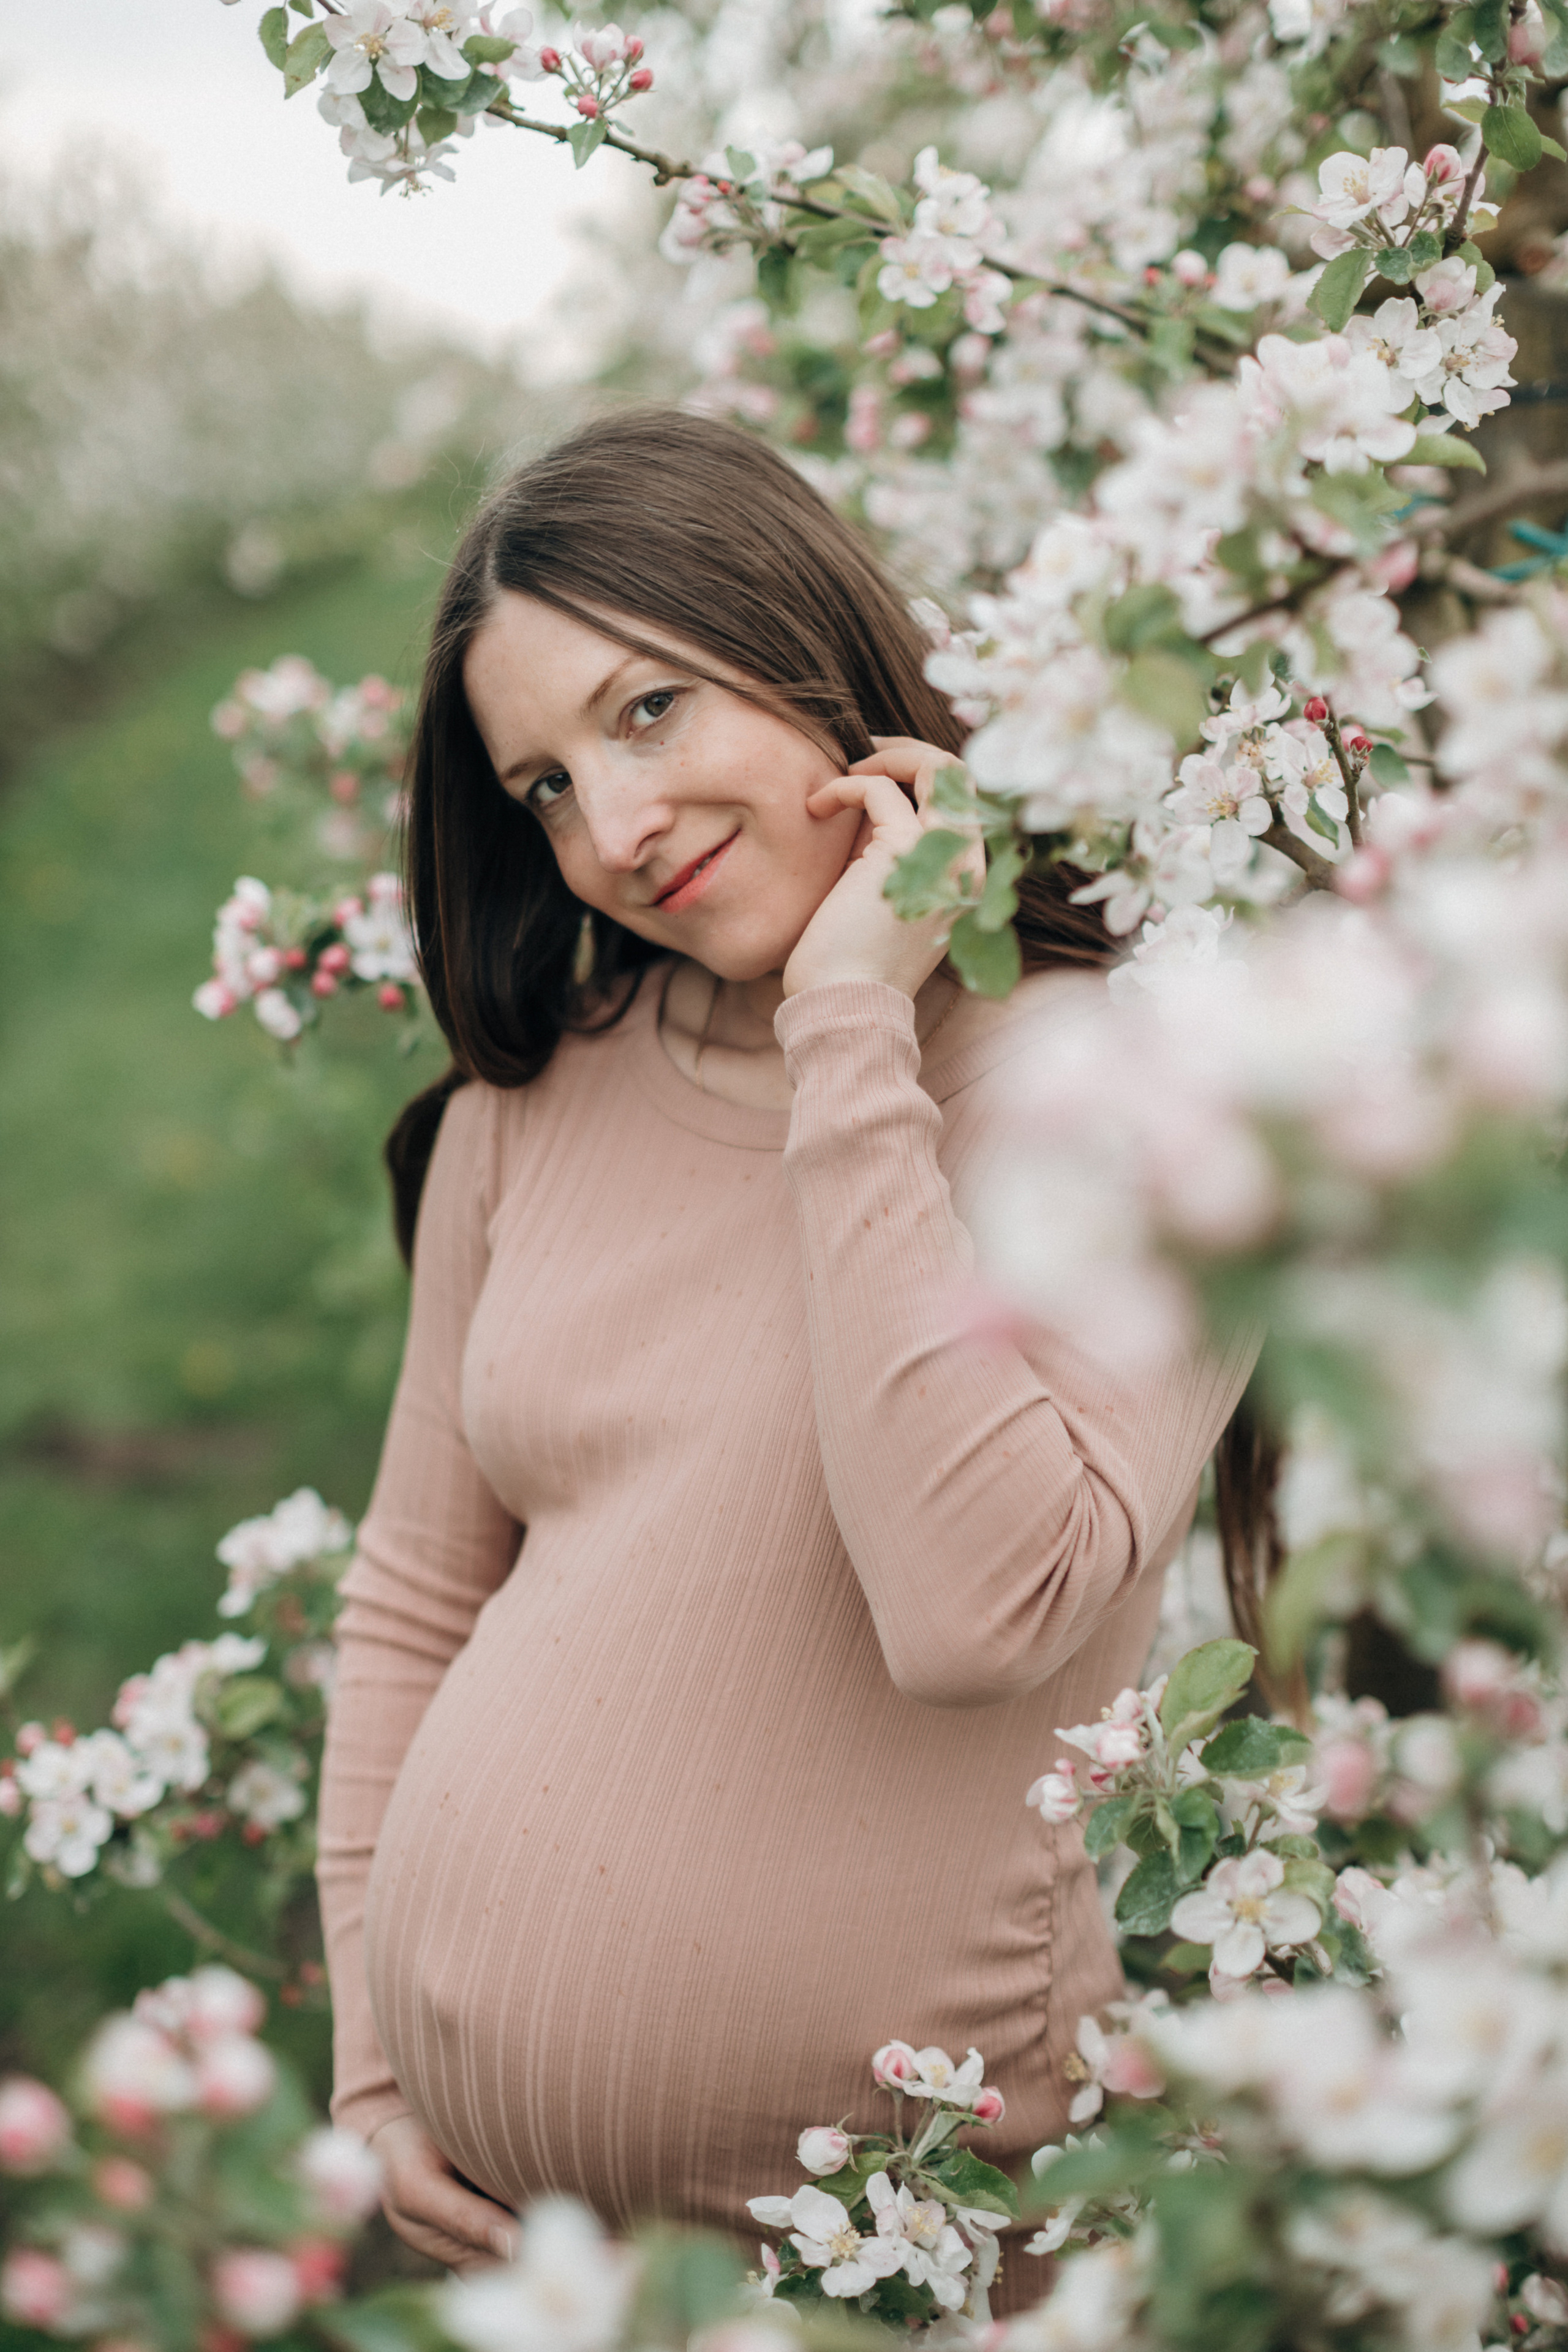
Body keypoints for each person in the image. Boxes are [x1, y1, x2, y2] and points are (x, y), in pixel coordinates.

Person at [314, 408, 1259, 2305]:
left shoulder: (1149, 1093)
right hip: (536, 2266)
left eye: (648, 710)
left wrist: (850, 1024)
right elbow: (419, 1593)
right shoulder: (537, 1105)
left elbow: (975, 1610)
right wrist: (374, 2056)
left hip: (910, 2278)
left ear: (810, 646)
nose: (611, 828)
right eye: (544, 786)